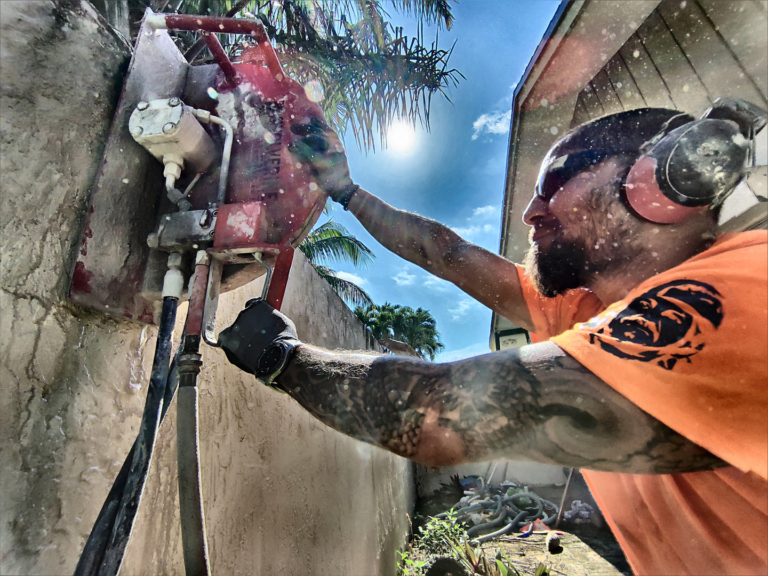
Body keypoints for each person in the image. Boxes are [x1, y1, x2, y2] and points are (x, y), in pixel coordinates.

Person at [219, 107, 768, 575]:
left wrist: (281, 359)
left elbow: (437, 420)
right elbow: (447, 254)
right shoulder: (589, 308)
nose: (531, 213)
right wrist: (345, 190)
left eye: (554, 183)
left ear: (656, 179)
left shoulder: (748, 287)